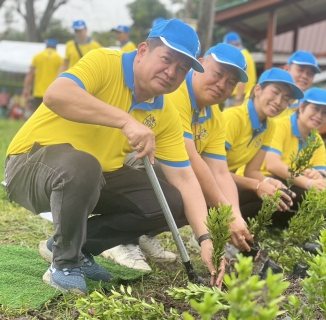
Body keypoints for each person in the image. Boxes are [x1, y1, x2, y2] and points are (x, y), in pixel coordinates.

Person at [4, 19, 227, 295]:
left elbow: (184, 177)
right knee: (83, 164)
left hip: (92, 177)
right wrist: (125, 121)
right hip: (29, 165)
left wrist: (206, 238)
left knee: (171, 202)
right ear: (143, 50)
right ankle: (65, 264)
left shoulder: (165, 112)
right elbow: (56, 94)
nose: (171, 72)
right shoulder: (104, 61)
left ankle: (73, 248)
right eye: (166, 59)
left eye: (182, 69)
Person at [104, 43, 257, 269]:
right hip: (122, 165)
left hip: (160, 169)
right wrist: (227, 215)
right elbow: (189, 158)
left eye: (231, 82)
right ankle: (119, 240)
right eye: (217, 74)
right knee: (186, 183)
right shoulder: (176, 92)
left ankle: (144, 234)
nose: (222, 85)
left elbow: (220, 171)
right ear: (201, 65)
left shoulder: (214, 115)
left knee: (202, 188)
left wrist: (235, 215)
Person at [224, 68, 303, 221]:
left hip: (230, 181)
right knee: (253, 196)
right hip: (211, 181)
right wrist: (257, 186)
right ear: (258, 90)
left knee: (281, 196)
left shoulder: (269, 125)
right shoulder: (233, 118)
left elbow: (252, 171)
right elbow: (213, 171)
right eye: (275, 92)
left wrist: (269, 182)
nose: (279, 102)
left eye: (286, 98)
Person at [261, 87, 326, 228]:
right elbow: (272, 165)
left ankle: (313, 238)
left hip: (293, 185)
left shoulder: (316, 140)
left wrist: (318, 176)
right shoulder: (280, 126)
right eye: (315, 109)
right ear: (302, 106)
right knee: (298, 192)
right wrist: (309, 183)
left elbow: (322, 173)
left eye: (325, 113)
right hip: (265, 180)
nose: (319, 116)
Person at [23, 39, 63, 112]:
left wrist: (26, 88)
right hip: (53, 92)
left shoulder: (37, 57)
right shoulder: (60, 59)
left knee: (38, 115)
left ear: (46, 46)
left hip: (38, 92)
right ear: (56, 48)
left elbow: (30, 73)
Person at [279, 50, 321, 118]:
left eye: (310, 74)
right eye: (300, 70)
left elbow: (312, 128)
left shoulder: (309, 109)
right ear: (286, 69)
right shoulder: (270, 97)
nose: (304, 76)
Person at [223, 31, 257, 107]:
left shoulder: (240, 56)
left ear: (231, 43)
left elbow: (241, 79)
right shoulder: (246, 54)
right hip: (246, 96)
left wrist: (238, 98)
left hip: (240, 97)